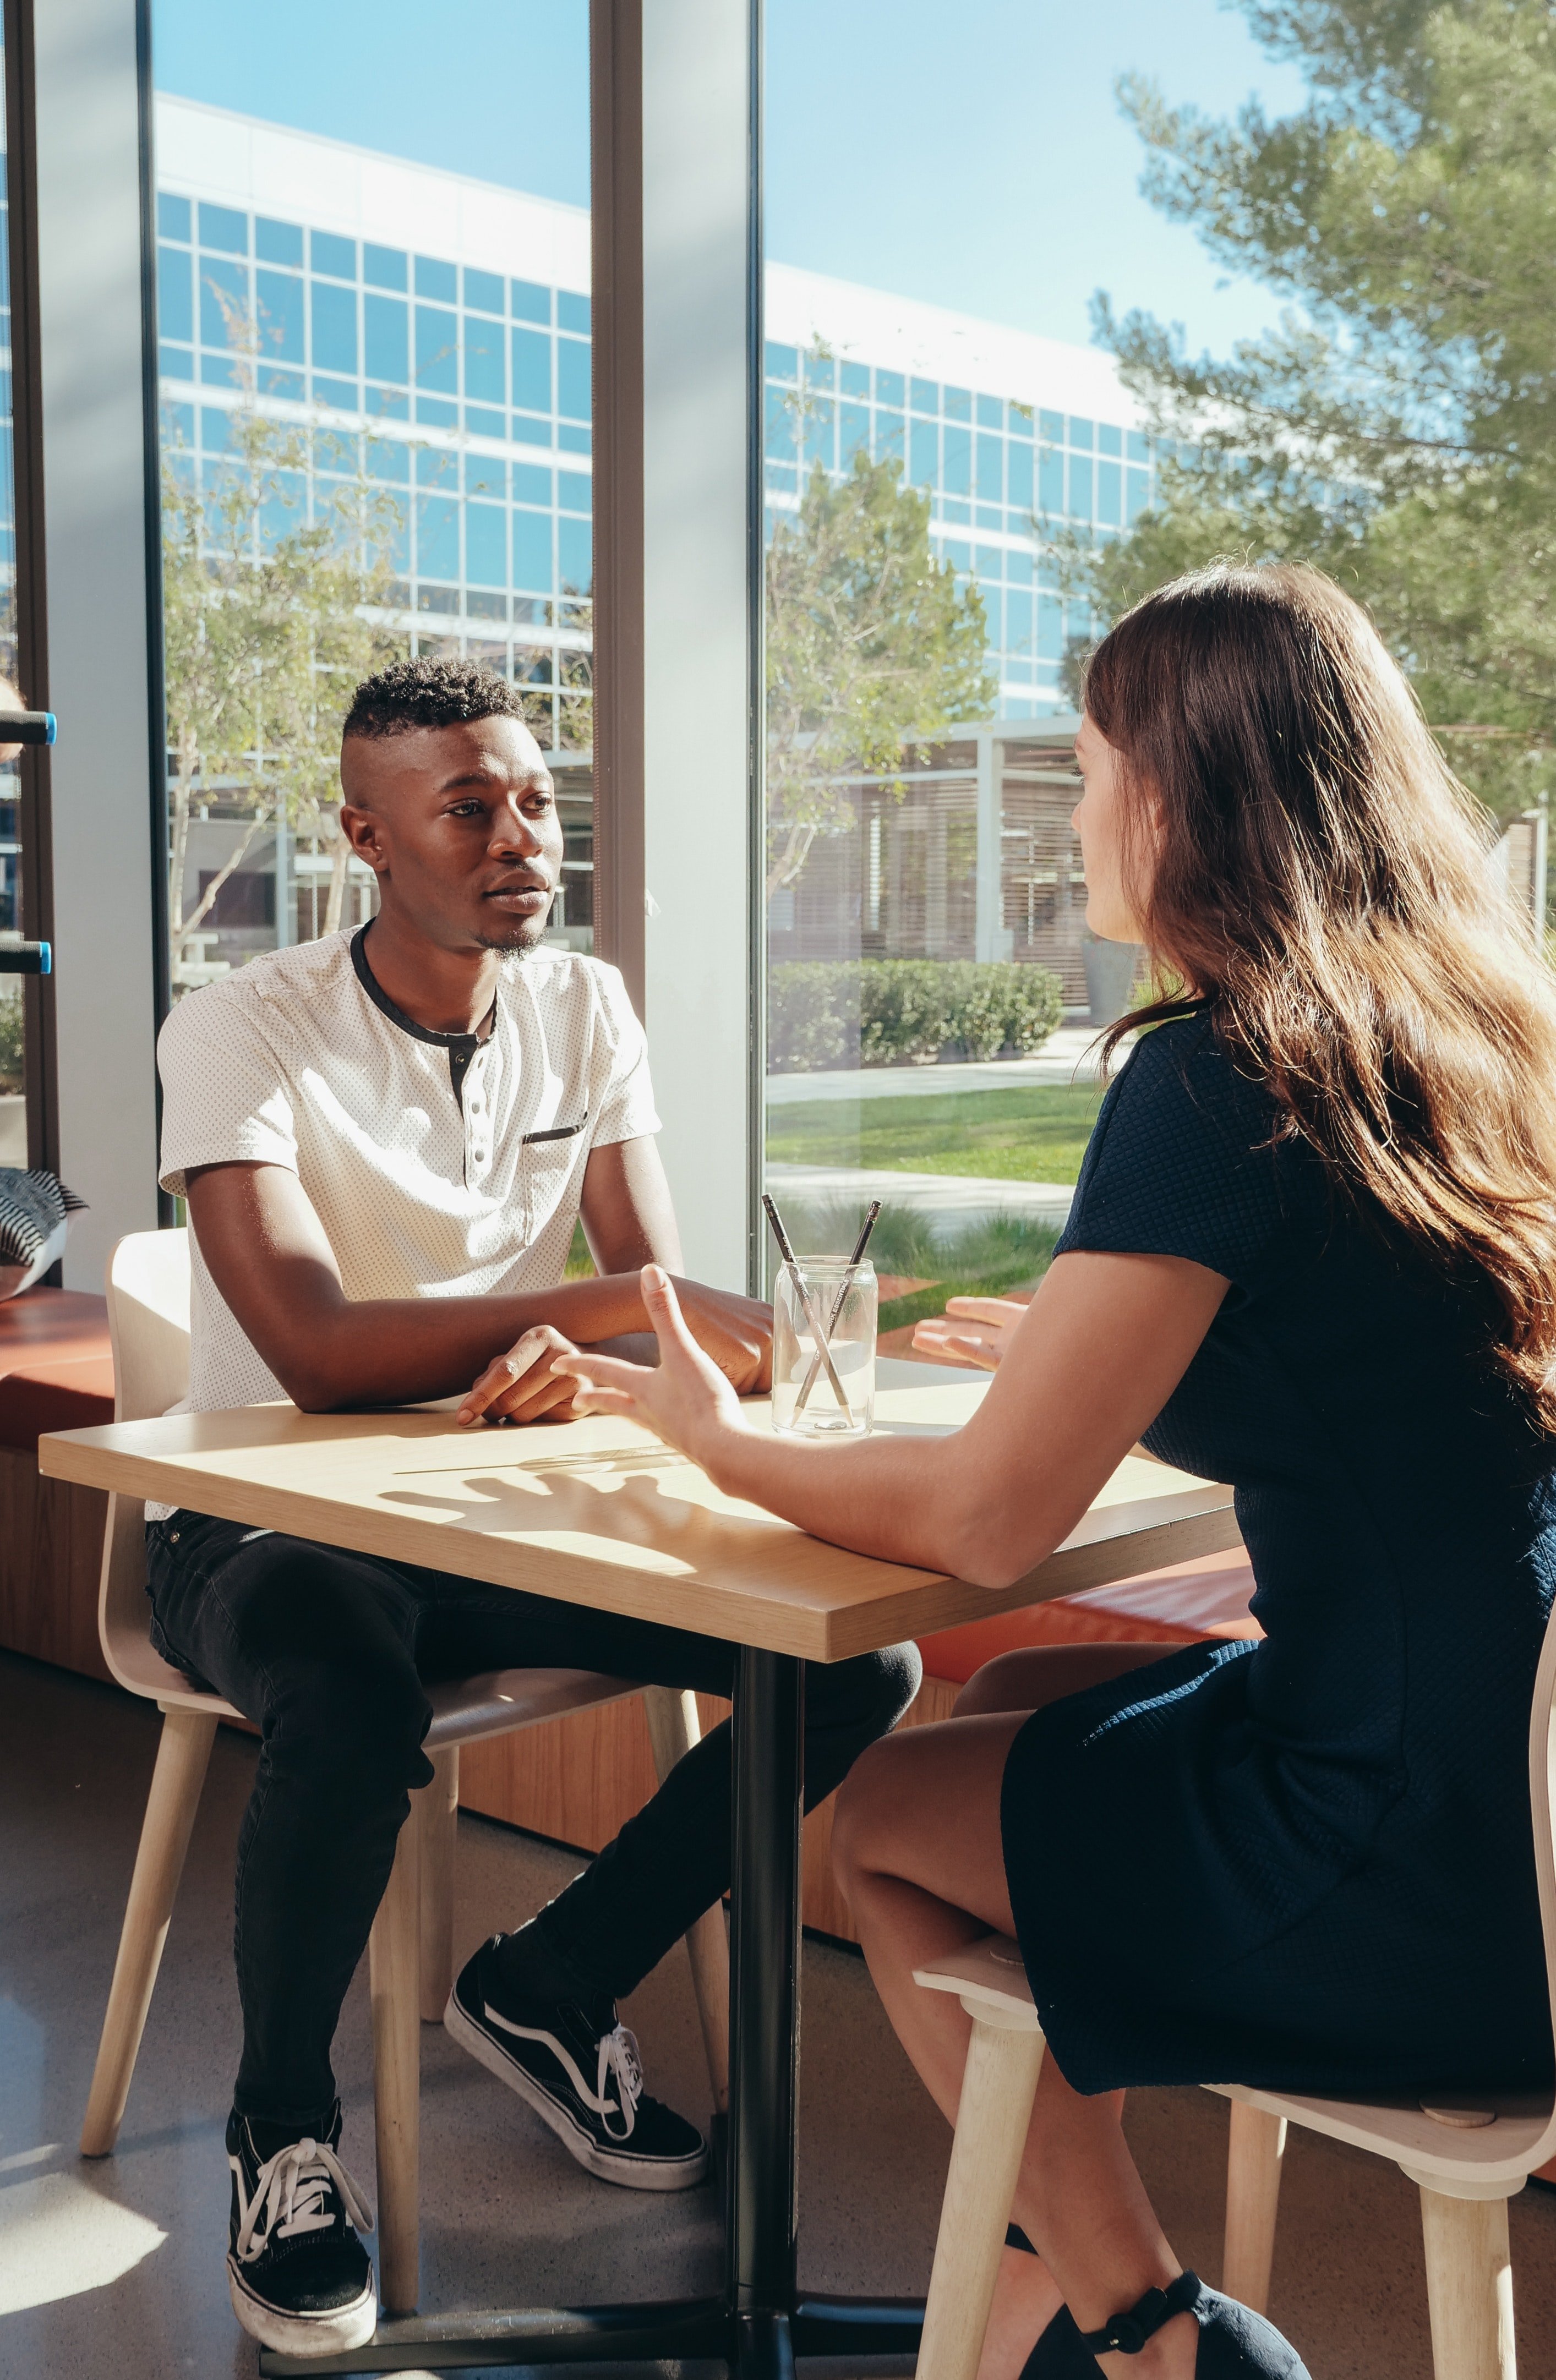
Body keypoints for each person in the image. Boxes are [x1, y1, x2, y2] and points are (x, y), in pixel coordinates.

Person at [557, 563, 1556, 2380]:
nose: (1076, 808)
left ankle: (1139, 2326)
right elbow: (1377, 1358)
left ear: (1177, 794)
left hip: (1408, 1885)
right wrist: (1091, 1348)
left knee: (877, 1824)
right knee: (1013, 1684)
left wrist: (718, 1438)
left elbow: (981, 1519)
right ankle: (1102, 2285)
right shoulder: (1473, 1047)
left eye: (1093, 765)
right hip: (1523, 1821)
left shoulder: (1217, 1079)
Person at [149, 658, 920, 2359]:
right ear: (366, 835)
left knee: (849, 1658)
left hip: (500, 1513)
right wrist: (595, 1321)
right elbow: (319, 1349)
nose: (520, 838)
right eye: (468, 808)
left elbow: (645, 1291)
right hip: (251, 1529)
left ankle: (551, 1979)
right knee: (344, 1691)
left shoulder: (585, 1004)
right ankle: (282, 2127)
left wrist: (607, 1350)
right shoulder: (242, 1025)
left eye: (535, 800)